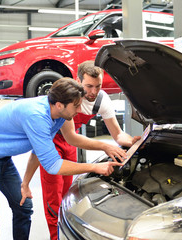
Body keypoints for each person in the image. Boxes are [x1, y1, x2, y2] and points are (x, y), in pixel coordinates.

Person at [0, 77, 126, 240]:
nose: (79, 110)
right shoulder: (37, 116)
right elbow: (53, 165)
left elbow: (37, 153)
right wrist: (94, 167)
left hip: (2, 157)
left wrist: (25, 184)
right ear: (60, 105)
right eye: (75, 106)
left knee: (23, 207)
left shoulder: (59, 115)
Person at [36, 60, 141, 240]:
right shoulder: (69, 96)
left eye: (97, 86)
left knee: (67, 196)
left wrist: (133, 141)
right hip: (50, 144)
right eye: (88, 86)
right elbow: (72, 137)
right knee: (53, 201)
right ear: (78, 81)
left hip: (68, 146)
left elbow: (117, 135)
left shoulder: (102, 99)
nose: (93, 92)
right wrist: (104, 146)